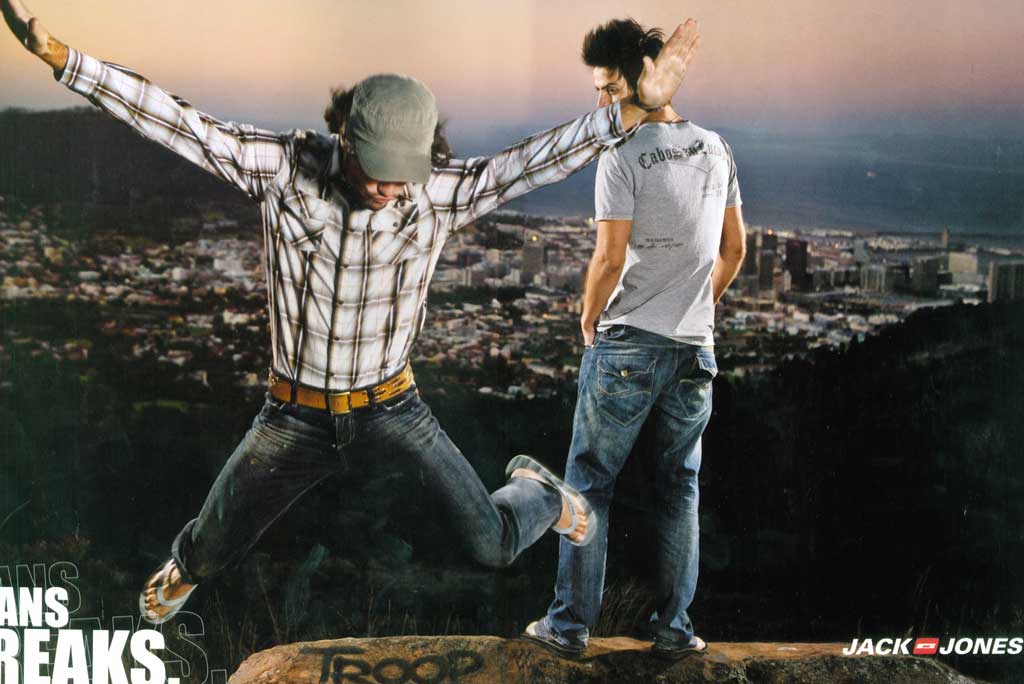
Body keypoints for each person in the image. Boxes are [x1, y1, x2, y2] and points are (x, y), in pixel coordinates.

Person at [2, 0, 703, 625]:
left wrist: (632, 109)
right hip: (293, 414)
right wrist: (63, 59)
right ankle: (186, 565)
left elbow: (535, 161)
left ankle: (539, 493)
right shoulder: (286, 170)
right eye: (376, 172)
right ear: (344, 141)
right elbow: (180, 124)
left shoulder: (435, 193)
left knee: (493, 546)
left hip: (393, 406)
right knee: (210, 548)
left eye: (403, 176)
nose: (389, 190)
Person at [522, 18, 745, 660]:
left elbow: (609, 257)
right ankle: (675, 630)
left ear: (645, 78)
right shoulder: (716, 148)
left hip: (627, 344)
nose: (601, 101)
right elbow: (733, 251)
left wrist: (589, 316)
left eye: (611, 87)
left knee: (588, 485)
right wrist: (696, 308)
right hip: (694, 346)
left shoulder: (620, 155)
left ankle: (568, 627)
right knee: (680, 488)